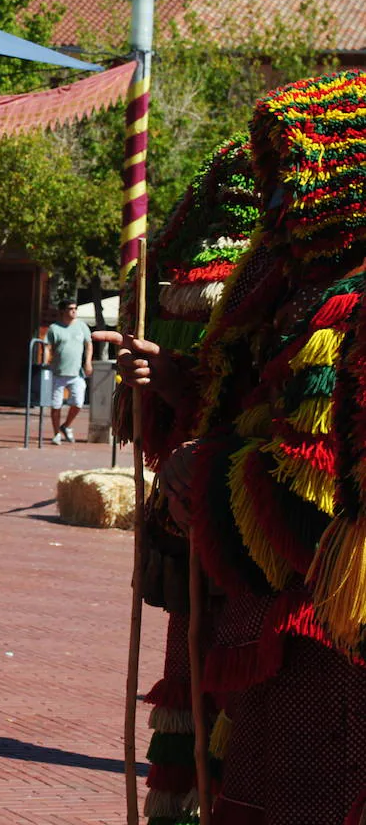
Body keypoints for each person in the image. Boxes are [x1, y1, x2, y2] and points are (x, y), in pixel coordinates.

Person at [97, 70, 366, 824]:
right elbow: (247, 414)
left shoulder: (349, 305)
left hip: (323, 650)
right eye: (272, 183)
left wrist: (203, 475)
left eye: (290, 181)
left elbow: (309, 497)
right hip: (251, 632)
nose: (276, 203)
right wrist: (180, 389)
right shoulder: (284, 296)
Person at [44, 300, 92, 444]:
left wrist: (88, 362)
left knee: (78, 403)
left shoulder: (82, 326)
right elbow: (47, 346)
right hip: (58, 372)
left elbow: (89, 344)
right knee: (56, 405)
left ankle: (66, 426)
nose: (74, 311)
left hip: (77, 373)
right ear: (63, 311)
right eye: (70, 308)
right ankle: (56, 434)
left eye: (76, 308)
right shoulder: (54, 328)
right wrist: (45, 362)